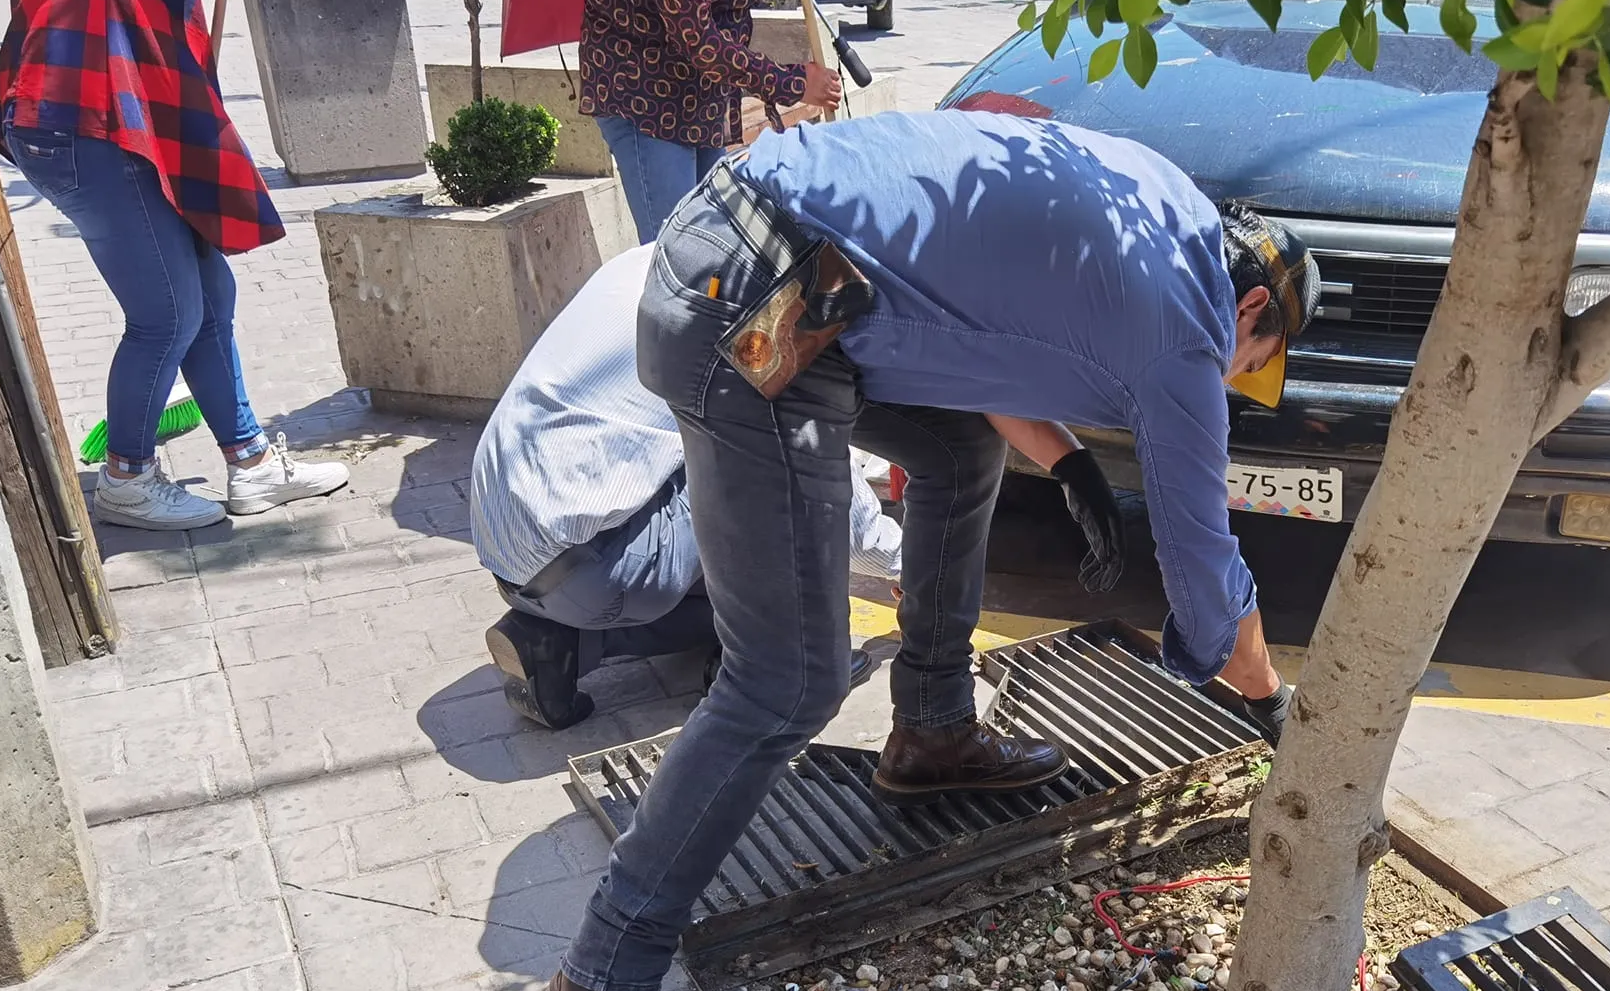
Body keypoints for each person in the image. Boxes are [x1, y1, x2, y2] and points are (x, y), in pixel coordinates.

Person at [527, 110, 1307, 991]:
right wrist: (1265, 698)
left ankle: (932, 731)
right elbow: (1205, 570)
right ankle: (597, 988)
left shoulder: (1155, 200)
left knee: (952, 456)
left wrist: (1067, 461)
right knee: (785, 682)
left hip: (783, 260)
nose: (1231, 377)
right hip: (754, 309)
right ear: (1249, 302)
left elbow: (975, 318)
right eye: (1252, 356)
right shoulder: (1187, 324)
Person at [470, 244, 1124, 730]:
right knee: (770, 477)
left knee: (723, 469)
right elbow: (812, 461)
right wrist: (907, 567)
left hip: (516, 544)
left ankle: (563, 642)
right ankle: (771, 662)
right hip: (605, 561)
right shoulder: (777, 299)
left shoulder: (674, 257)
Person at [0, 0, 348, 531]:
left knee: (209, 294)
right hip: (88, 113)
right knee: (169, 313)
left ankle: (252, 462)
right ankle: (127, 476)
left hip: (94, 109)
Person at [580, 0, 843, 245]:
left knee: (714, 251)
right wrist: (791, 83)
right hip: (649, 100)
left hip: (699, 98)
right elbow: (698, 39)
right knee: (678, 255)